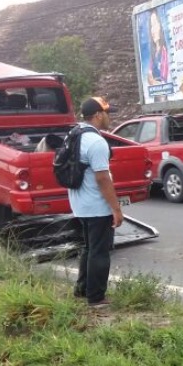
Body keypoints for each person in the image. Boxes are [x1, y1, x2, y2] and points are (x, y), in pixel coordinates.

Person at [69, 96, 124, 307]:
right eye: (108, 113)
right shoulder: (96, 142)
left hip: (80, 204)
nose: (109, 118)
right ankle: (96, 297)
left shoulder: (74, 134)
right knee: (100, 252)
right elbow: (102, 178)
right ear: (98, 115)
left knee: (89, 248)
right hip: (96, 206)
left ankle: (82, 289)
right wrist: (116, 208)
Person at [146, 10, 169, 85]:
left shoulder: (164, 51)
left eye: (155, 24)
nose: (153, 30)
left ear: (160, 26)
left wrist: (154, 82)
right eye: (151, 26)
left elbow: (164, 79)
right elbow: (149, 77)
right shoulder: (153, 54)